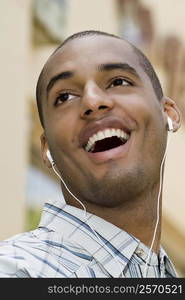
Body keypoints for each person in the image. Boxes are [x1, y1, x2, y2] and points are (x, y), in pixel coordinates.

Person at [0, 30, 181, 278]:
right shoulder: (17, 271)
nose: (93, 101)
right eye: (64, 97)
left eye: (119, 82)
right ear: (46, 149)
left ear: (168, 114)